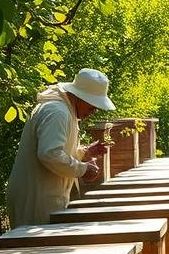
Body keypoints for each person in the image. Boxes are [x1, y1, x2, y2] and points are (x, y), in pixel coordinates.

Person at [6, 68, 115, 226]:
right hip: (36, 199)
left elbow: (55, 151)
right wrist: (83, 170)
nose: (94, 111)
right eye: (92, 105)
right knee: (39, 248)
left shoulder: (62, 109)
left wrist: (84, 153)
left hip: (41, 196)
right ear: (79, 96)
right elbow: (50, 154)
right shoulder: (58, 111)